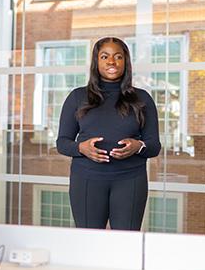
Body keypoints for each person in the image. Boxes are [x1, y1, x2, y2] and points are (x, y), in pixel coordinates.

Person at [56, 37, 161, 230]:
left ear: (125, 62)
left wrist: (138, 147)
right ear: (96, 61)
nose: (111, 62)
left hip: (130, 181)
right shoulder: (78, 97)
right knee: (88, 244)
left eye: (118, 57)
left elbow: (154, 146)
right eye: (105, 56)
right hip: (86, 181)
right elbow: (62, 143)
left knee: (126, 243)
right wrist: (81, 148)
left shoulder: (142, 99)